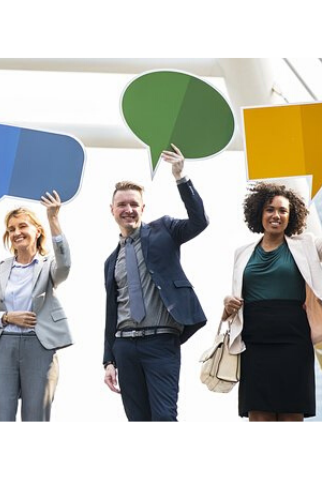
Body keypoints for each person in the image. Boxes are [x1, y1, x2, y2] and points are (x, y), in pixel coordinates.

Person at [103, 144, 208, 421]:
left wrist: (180, 176)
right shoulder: (111, 261)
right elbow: (111, 312)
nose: (128, 209)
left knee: (163, 418)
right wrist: (108, 360)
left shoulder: (165, 230)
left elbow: (199, 221)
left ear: (142, 208)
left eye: (134, 204)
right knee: (137, 421)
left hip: (161, 342)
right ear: (112, 210)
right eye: (122, 205)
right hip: (124, 347)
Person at [223, 182, 322, 421]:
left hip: (294, 340)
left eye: (282, 210)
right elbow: (237, 293)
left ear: (292, 216)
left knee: (291, 416)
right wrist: (227, 302)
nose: (276, 215)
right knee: (258, 416)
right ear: (259, 212)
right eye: (269, 209)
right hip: (254, 342)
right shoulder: (242, 252)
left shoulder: (306, 245)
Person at [0, 191, 72, 421]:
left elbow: (65, 264)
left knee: (36, 419)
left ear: (37, 230)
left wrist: (53, 219)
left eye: (22, 226)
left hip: (39, 345)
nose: (16, 233)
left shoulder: (49, 266)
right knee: (0, 419)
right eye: (11, 229)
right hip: (1, 347)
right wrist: (8, 317)